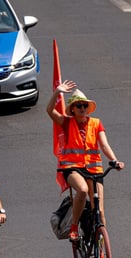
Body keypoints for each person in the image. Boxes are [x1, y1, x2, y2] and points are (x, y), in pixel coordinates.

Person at [46, 79, 124, 242]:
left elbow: (104, 145)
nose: (82, 108)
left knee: (99, 210)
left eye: (84, 105)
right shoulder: (66, 122)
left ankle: (100, 245)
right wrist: (57, 92)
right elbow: (49, 110)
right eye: (79, 105)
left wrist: (114, 160)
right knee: (82, 190)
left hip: (94, 170)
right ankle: (74, 226)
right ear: (73, 109)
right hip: (72, 168)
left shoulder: (96, 123)